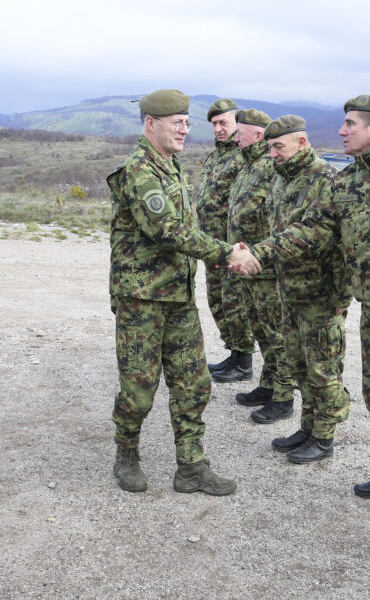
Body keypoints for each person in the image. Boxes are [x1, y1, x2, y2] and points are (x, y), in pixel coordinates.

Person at [236, 95, 370, 514]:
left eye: (350, 125)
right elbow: (313, 230)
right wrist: (260, 252)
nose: (342, 131)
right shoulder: (347, 182)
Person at [105, 89, 259, 496]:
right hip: (142, 299)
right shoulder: (138, 171)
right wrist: (227, 252)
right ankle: (126, 454)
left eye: (187, 123)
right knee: (139, 390)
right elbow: (167, 231)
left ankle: (191, 465)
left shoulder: (171, 168)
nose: (185, 130)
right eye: (178, 123)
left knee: (193, 384)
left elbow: (187, 229)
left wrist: (222, 250)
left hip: (178, 297)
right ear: (151, 124)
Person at [261, 115, 352, 463]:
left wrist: (341, 294)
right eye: (270, 147)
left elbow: (339, 242)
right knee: (298, 365)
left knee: (323, 369)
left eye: (278, 146)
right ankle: (308, 427)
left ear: (301, 143)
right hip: (290, 290)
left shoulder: (325, 179)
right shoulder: (282, 179)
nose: (273, 154)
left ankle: (324, 437)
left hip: (320, 294)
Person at [221, 108, 294, 425]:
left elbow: (280, 217)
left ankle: (284, 397)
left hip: (264, 267)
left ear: (258, 134)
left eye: (240, 132)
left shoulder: (271, 167)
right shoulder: (249, 165)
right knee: (262, 332)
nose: (235, 137)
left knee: (278, 335)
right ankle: (268, 384)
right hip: (247, 266)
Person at [196, 99, 256, 377]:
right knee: (217, 301)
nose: (218, 129)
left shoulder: (244, 157)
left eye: (223, 123)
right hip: (212, 246)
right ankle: (233, 353)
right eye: (214, 124)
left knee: (235, 304)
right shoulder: (215, 157)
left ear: (237, 123)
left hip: (233, 245)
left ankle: (244, 361)